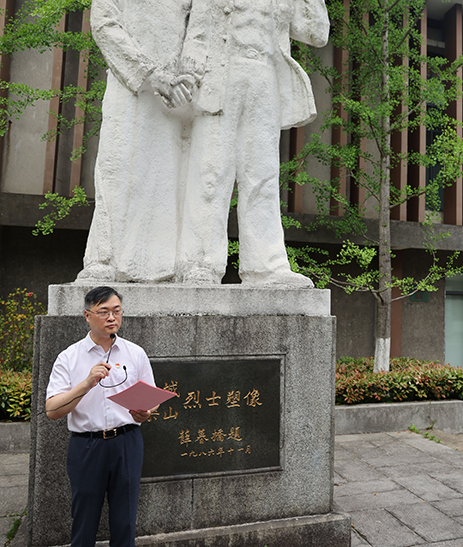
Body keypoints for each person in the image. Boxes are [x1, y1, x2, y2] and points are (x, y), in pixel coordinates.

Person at [175, 0, 329, 285]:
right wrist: (188, 77)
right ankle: (200, 263)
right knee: (211, 171)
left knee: (263, 175)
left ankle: (266, 266)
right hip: (220, 75)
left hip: (264, 75)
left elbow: (317, 32)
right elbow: (196, 35)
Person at [79, 0, 195, 282]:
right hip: (129, 88)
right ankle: (102, 257)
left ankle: (164, 264)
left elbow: (201, 33)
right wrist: (150, 74)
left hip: (176, 94)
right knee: (116, 166)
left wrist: (188, 78)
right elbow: (105, 24)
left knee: (168, 175)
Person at [45, 287, 158, 546]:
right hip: (87, 445)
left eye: (116, 311)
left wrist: (145, 413)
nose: (111, 318)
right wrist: (86, 383)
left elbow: (151, 402)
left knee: (125, 519)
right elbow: (52, 410)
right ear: (87, 315)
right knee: (84, 519)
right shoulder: (69, 357)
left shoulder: (135, 353)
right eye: (103, 312)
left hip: (127, 442)